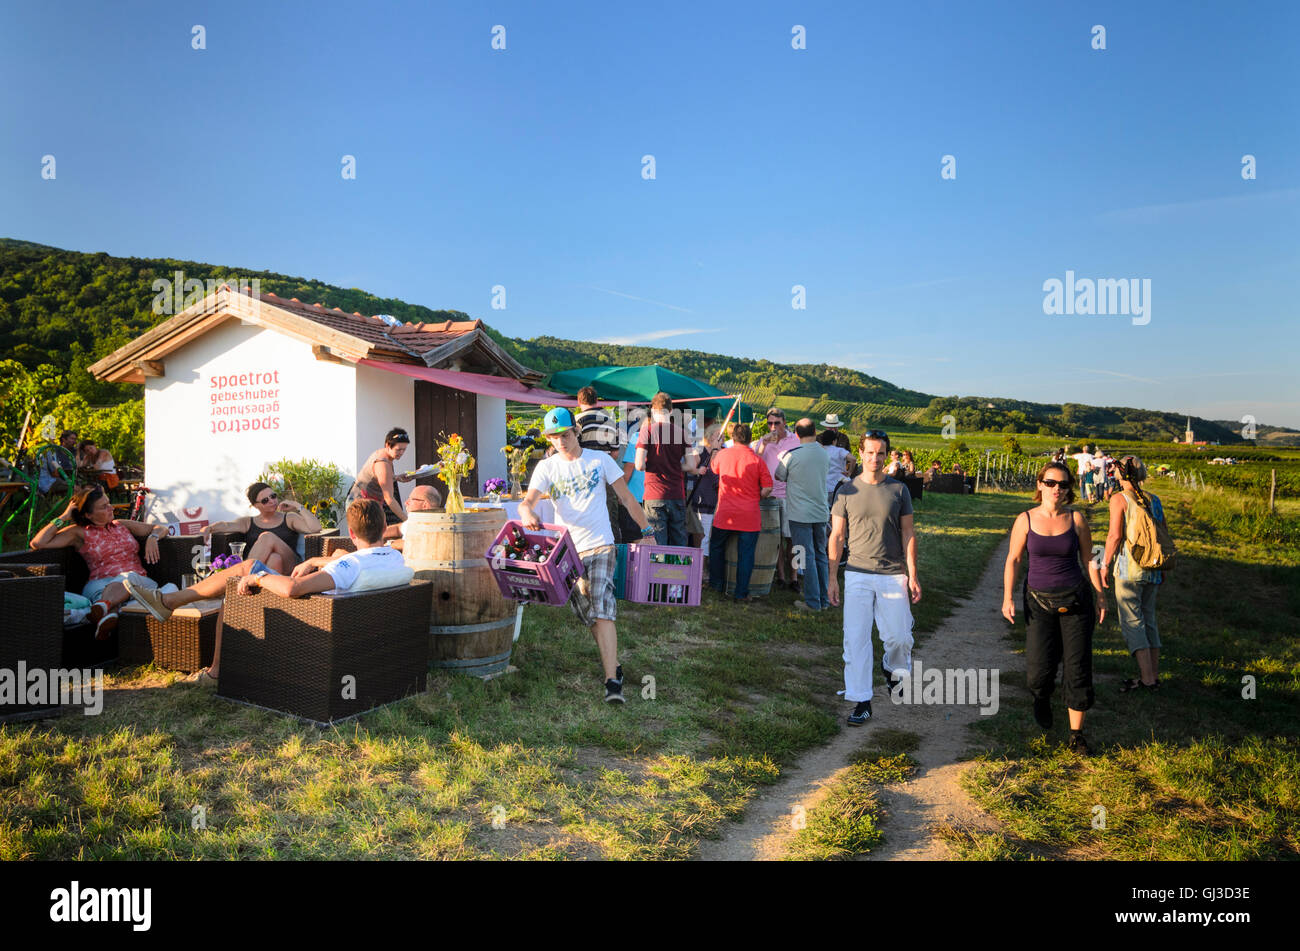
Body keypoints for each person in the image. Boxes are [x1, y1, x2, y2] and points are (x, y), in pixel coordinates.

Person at [132, 499, 413, 687]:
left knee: (245, 574)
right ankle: (174, 602)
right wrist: (317, 560)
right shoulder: (394, 558)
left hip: (309, 617)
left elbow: (293, 589)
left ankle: (176, 609)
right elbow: (356, 563)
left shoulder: (350, 564)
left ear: (351, 533)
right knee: (255, 568)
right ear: (382, 529)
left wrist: (259, 577)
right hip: (347, 622)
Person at [521, 408, 653, 703]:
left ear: (576, 432)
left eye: (565, 435)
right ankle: (614, 665)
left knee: (602, 605)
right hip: (568, 552)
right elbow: (527, 501)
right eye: (554, 437)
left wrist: (647, 531)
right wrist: (526, 510)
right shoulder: (547, 467)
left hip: (601, 544)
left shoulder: (600, 460)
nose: (561, 441)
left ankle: (611, 685)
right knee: (589, 614)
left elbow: (626, 498)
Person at [1000, 462, 1105, 755]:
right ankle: (1041, 696)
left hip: (1076, 601)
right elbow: (1014, 560)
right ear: (1040, 485)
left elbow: (1089, 560)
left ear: (1069, 488)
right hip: (1038, 601)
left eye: (1062, 484)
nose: (1056, 488)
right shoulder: (1025, 520)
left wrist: (1100, 595)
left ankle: (1076, 734)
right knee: (1038, 669)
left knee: (1078, 667)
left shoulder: (1077, 520)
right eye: (1050, 482)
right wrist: (1007, 597)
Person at [828, 430, 921, 726]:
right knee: (855, 640)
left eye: (880, 453)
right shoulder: (846, 491)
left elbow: (908, 533)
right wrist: (833, 578)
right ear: (861, 453)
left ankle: (892, 668)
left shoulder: (899, 490)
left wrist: (913, 574)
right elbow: (837, 536)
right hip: (856, 573)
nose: (875, 458)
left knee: (899, 636)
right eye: (870, 452)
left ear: (886, 455)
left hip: (893, 573)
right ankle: (861, 701)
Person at [30, 484, 168, 639]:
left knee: (128, 578)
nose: (111, 508)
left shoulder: (121, 525)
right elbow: (38, 543)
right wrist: (64, 517)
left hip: (138, 582)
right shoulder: (79, 532)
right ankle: (109, 613)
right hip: (99, 584)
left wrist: (153, 537)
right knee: (123, 586)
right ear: (88, 514)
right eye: (104, 507)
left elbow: (160, 528)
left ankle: (101, 610)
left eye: (109, 503)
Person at [1099, 455, 1166, 693]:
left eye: (1116, 469)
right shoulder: (1154, 499)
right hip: (1154, 567)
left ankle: (1147, 680)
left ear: (1122, 473)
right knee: (1149, 620)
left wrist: (1104, 564)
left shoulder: (1120, 499)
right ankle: (1153, 676)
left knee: (1132, 621)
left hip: (1130, 568)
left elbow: (1115, 536)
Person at [709, 423, 773, 602]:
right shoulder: (757, 460)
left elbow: (714, 468)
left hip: (725, 512)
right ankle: (741, 592)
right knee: (746, 554)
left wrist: (715, 448)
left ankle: (716, 584)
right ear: (750, 439)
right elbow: (768, 488)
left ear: (733, 438)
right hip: (749, 514)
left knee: (716, 547)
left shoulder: (723, 455)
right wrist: (758, 495)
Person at [200, 482, 321, 574]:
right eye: (265, 500)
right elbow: (226, 525)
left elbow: (315, 528)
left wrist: (297, 506)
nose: (272, 501)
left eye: (273, 496)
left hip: (291, 565)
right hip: (267, 571)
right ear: (255, 505)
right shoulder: (248, 522)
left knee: (267, 537)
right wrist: (209, 528)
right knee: (274, 558)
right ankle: (267, 597)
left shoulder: (289, 518)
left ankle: (243, 576)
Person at [776, 419, 830, 611]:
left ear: (796, 434)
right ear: (815, 431)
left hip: (799, 514)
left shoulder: (792, 455)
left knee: (804, 556)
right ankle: (824, 599)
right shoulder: (824, 453)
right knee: (821, 555)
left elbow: (779, 476)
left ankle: (812, 601)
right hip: (821, 512)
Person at [751, 408, 801, 589]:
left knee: (794, 539)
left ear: (784, 423)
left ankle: (794, 577)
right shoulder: (760, 442)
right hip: (770, 496)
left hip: (791, 496)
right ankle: (780, 575)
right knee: (776, 539)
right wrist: (763, 444)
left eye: (776, 423)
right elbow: (754, 463)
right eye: (770, 423)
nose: (773, 427)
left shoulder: (795, 441)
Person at [575, 386, 630, 543]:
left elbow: (574, 451)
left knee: (587, 513)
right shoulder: (610, 422)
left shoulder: (577, 422)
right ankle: (615, 550)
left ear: (579, 401)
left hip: (583, 474)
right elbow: (615, 453)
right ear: (597, 401)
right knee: (610, 513)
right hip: (606, 473)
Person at [635, 392, 690, 547]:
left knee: (656, 545)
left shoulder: (647, 431)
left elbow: (639, 465)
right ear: (671, 411)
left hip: (654, 495)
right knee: (679, 544)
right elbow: (691, 466)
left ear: (652, 410)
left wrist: (653, 465)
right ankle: (679, 572)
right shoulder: (682, 433)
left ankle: (658, 572)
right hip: (677, 494)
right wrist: (675, 467)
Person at [349, 427, 417, 525]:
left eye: (404, 449)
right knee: (370, 537)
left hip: (366, 502)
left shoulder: (382, 453)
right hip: (361, 505)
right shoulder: (382, 463)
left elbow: (380, 477)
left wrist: (396, 477)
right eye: (398, 450)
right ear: (388, 445)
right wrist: (407, 521)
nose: (401, 453)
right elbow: (389, 499)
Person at [686, 419, 721, 552]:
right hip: (701, 497)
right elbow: (690, 468)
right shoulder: (699, 450)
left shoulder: (722, 451)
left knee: (711, 535)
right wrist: (698, 470)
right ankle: (700, 565)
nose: (721, 437)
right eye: (718, 434)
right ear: (711, 436)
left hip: (715, 498)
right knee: (702, 535)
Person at [37, 430, 79, 494]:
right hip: (50, 481)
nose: (74, 441)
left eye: (75, 439)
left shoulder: (74, 452)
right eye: (72, 439)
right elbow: (55, 474)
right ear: (64, 439)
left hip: (66, 479)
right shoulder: (53, 452)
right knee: (75, 488)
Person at [818, 428, 851, 503]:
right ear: (834, 441)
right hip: (837, 486)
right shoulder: (839, 450)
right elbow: (853, 459)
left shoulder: (819, 450)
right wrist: (849, 472)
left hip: (822, 487)